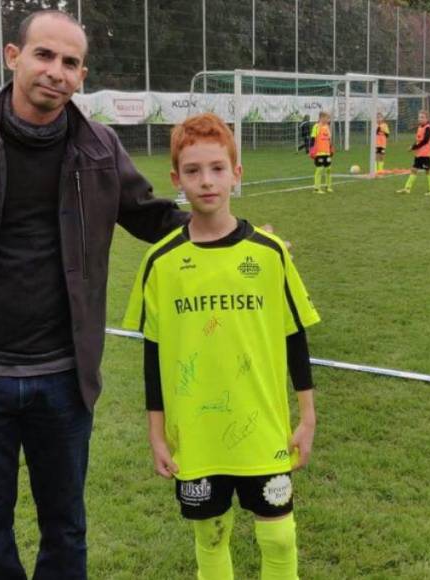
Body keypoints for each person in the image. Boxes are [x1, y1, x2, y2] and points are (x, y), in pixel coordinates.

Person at [0, 10, 192, 578]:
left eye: (70, 63)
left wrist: (233, 234)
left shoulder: (99, 147)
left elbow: (152, 217)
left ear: (82, 76)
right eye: (44, 55)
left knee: (66, 527)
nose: (56, 71)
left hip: (64, 379)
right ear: (13, 56)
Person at [123, 112, 319, 580]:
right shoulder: (160, 262)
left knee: (279, 536)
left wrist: (307, 416)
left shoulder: (269, 254)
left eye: (217, 168)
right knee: (211, 536)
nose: (206, 181)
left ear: (236, 174)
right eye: (193, 171)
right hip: (196, 432)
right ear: (176, 180)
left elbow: (295, 336)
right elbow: (153, 356)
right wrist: (156, 433)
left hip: (263, 426)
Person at [395, 110, 430, 196]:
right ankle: (407, 189)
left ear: (427, 119)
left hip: (425, 154)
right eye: (419, 117)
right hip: (419, 154)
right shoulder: (420, 127)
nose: (420, 119)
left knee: (428, 171)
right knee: (414, 170)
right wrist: (412, 146)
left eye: (422, 117)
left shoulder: (428, 128)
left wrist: (414, 147)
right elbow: (418, 140)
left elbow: (425, 141)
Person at [310, 111, 334, 194]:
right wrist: (312, 149)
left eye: (328, 118)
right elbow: (312, 138)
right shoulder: (316, 127)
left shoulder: (327, 127)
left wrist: (331, 148)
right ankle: (316, 188)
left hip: (327, 152)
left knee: (328, 169)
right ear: (321, 118)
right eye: (327, 118)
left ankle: (328, 187)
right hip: (319, 152)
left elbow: (329, 139)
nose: (328, 120)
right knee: (319, 169)